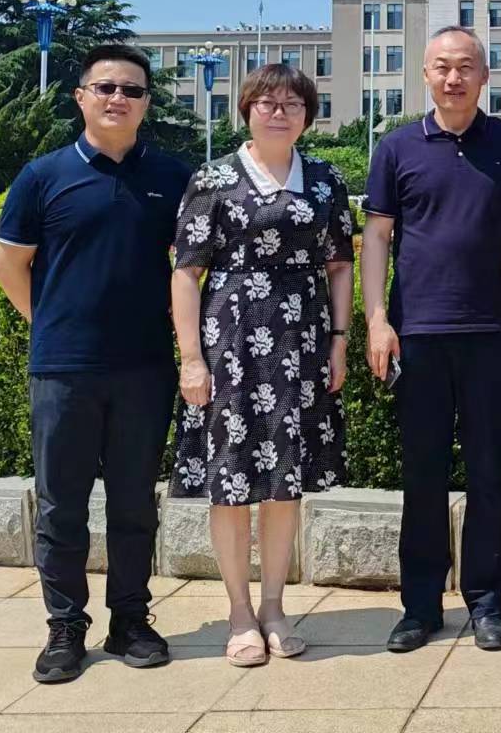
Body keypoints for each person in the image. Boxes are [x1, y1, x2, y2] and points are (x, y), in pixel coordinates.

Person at [0, 43, 193, 683]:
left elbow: (191, 269)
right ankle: (64, 627)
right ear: (80, 97)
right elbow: (9, 266)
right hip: (64, 370)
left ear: (146, 104)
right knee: (61, 506)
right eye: (105, 87)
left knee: (134, 503)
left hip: (145, 368)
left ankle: (130, 619)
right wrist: (52, 324)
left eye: (132, 90)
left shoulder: (172, 176)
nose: (117, 99)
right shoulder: (43, 176)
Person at [362, 25, 501, 652]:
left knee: (490, 473)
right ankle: (419, 606)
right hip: (419, 335)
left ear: (485, 75)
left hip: (493, 334)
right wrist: (377, 319)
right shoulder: (396, 147)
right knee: (423, 475)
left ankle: (488, 601)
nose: (453, 77)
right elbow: (377, 238)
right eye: (441, 66)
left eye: (465, 66)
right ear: (425, 75)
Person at [169, 63, 354, 666]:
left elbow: (340, 265)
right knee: (231, 483)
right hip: (231, 345)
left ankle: (274, 607)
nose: (279, 112)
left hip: (302, 344)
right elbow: (186, 272)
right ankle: (239, 613)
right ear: (247, 109)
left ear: (307, 115)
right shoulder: (215, 178)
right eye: (267, 103)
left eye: (292, 104)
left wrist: (339, 341)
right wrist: (191, 359)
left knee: (284, 481)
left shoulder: (324, 180)